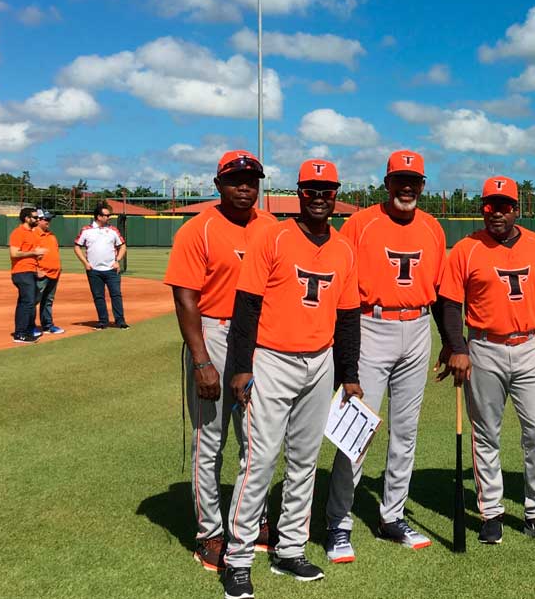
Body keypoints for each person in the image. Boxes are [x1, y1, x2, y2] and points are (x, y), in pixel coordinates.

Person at [220, 159, 363, 599]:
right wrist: (242, 366)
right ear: (299, 193)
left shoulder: (343, 248)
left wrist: (350, 375)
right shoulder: (273, 235)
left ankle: (290, 549)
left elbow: (348, 317)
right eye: (311, 190)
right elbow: (245, 306)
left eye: (327, 190)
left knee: (304, 462)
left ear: (335, 194)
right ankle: (238, 557)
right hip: (271, 359)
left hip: (319, 362)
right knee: (259, 461)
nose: (319, 198)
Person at [435, 176, 535, 545]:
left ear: (516, 208)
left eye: (504, 205)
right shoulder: (465, 248)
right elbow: (449, 302)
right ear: (483, 208)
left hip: (528, 347)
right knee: (486, 435)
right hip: (483, 348)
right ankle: (492, 512)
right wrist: (458, 348)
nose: (496, 212)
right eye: (490, 205)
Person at [324, 150, 446, 559]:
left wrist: (453, 341)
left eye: (414, 180)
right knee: (356, 431)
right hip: (369, 325)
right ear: (387, 182)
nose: (407, 187)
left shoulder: (433, 228)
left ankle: (391, 515)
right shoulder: (360, 224)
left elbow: (443, 291)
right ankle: (338, 522)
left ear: (422, 185)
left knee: (405, 431)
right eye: (399, 179)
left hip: (418, 327)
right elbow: (338, 283)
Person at [163, 150, 277, 572]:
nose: (244, 187)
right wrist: (200, 359)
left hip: (260, 337)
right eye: (235, 180)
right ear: (218, 184)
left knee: (256, 438)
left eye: (252, 179)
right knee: (209, 441)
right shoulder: (199, 229)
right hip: (213, 330)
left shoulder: (271, 227)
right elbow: (185, 298)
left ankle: (253, 522)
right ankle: (209, 532)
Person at [74, 203, 128, 329]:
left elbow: (123, 245)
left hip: (111, 269)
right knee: (98, 296)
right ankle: (103, 321)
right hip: (93, 270)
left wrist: (117, 260)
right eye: (106, 215)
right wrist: (85, 263)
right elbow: (77, 246)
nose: (109, 217)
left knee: (116, 295)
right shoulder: (86, 230)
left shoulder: (113, 230)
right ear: (98, 216)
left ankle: (120, 321)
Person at [9, 206, 45, 343]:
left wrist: (37, 262)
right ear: (27, 218)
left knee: (29, 301)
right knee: (28, 302)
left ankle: (27, 330)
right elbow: (14, 253)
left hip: (30, 271)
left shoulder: (32, 233)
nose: (38, 219)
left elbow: (31, 253)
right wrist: (34, 253)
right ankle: (20, 334)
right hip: (21, 272)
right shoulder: (18, 232)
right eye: (35, 217)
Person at [33, 210, 65, 336]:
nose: (48, 222)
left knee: (48, 301)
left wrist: (58, 268)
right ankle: (30, 326)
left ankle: (47, 325)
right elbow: (28, 255)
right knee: (33, 301)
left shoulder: (51, 236)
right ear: (38, 220)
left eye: (49, 219)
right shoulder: (33, 235)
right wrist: (36, 269)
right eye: (46, 219)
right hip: (41, 274)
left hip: (54, 273)